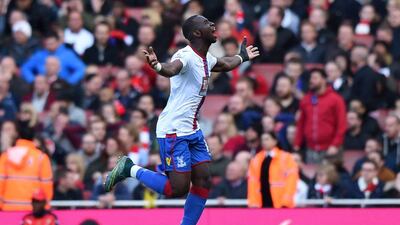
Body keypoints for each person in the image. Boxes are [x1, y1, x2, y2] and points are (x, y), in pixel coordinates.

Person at [105, 15, 259, 225]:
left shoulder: (206, 57)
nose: (213, 25)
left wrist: (242, 57)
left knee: (204, 180)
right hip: (173, 130)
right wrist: (158, 67)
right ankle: (129, 168)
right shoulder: (185, 56)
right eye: (207, 23)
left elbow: (223, 64)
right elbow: (172, 68)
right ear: (196, 33)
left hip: (192, 129)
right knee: (177, 189)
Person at [294, 69, 347, 163]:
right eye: (310, 78)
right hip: (311, 149)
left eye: (315, 78)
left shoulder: (336, 99)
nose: (311, 81)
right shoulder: (306, 100)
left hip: (330, 149)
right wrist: (297, 144)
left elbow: (341, 124)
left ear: (323, 80)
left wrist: (335, 144)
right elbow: (301, 124)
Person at [0, 131, 53, 211]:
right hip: (34, 209)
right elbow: (47, 185)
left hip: (8, 208)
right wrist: (45, 206)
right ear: (33, 140)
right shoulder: (41, 157)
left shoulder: (6, 156)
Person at [247, 132, 298, 208]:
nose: (264, 142)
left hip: (280, 201)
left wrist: (286, 200)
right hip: (261, 200)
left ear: (275, 141)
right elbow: (252, 182)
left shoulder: (286, 158)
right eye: (262, 140)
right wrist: (253, 202)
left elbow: (292, 180)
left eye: (267, 139)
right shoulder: (256, 159)